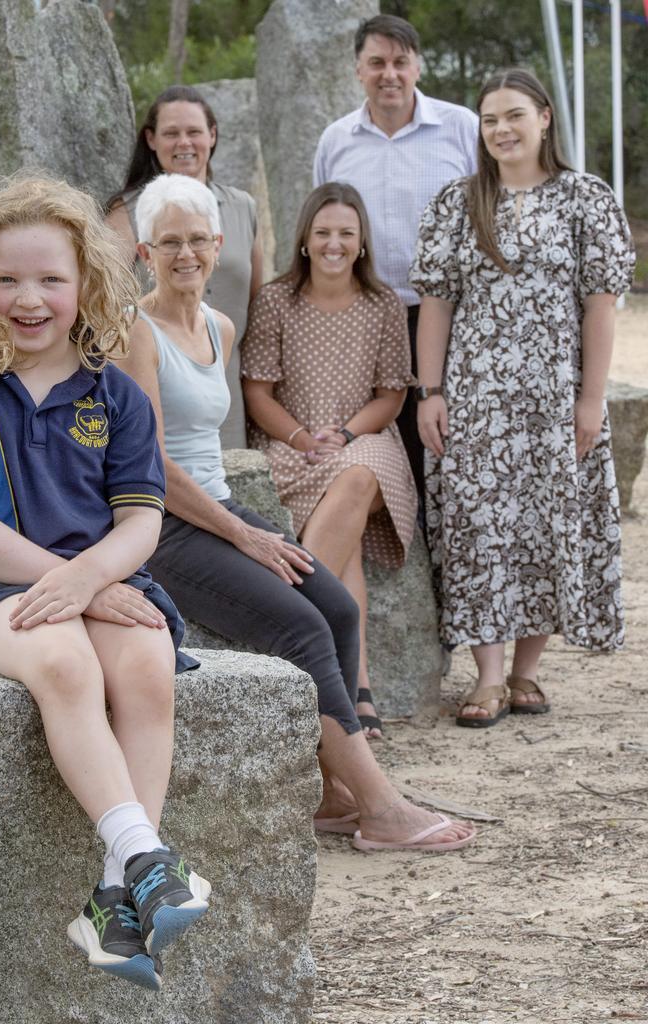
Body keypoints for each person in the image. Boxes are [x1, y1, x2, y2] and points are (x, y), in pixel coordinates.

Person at [0, 174, 211, 990]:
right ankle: (146, 856)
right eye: (7, 279)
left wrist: (91, 579)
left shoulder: (115, 395)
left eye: (50, 278)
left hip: (104, 580)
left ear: (87, 284)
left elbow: (142, 522)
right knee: (65, 662)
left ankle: (116, 901)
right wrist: (70, 584)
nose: (28, 297)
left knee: (148, 664)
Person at [121, 171, 476, 853]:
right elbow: (152, 468)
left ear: (218, 243)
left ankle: (333, 795)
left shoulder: (220, 327)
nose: (185, 254)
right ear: (145, 253)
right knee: (299, 628)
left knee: (337, 607)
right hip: (159, 525)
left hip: (215, 507)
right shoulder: (137, 333)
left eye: (198, 239)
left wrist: (240, 525)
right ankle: (381, 807)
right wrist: (245, 536)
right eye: (169, 243)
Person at [410, 68, 635, 727]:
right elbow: (436, 303)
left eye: (514, 115)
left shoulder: (584, 198)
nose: (502, 129)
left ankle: (527, 671)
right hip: (478, 398)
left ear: (544, 117)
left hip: (553, 399)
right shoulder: (460, 202)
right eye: (489, 120)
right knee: (481, 529)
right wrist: (432, 391)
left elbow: (600, 307)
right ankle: (486, 677)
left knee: (544, 524)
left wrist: (590, 401)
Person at [242, 182, 417, 739]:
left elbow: (392, 395)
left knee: (360, 472)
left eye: (345, 233)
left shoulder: (384, 304)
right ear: (305, 240)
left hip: (363, 437)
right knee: (348, 559)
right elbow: (257, 390)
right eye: (323, 233)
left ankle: (292, 615)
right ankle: (354, 692)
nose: (334, 244)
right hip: (291, 446)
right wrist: (299, 437)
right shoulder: (275, 300)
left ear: (362, 241)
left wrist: (342, 433)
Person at [313, 14, 478, 498]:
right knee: (388, 439)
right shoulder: (335, 141)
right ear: (358, 70)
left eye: (400, 62)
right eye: (377, 62)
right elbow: (328, 227)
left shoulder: (460, 128)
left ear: (418, 67)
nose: (390, 74)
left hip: (448, 312)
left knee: (448, 433)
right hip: (365, 314)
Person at [107, 84, 264, 449]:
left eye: (194, 131)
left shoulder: (243, 208)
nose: (184, 143)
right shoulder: (128, 212)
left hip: (227, 383)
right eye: (171, 133)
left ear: (212, 135)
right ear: (151, 139)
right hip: (159, 383)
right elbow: (105, 301)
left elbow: (257, 300)